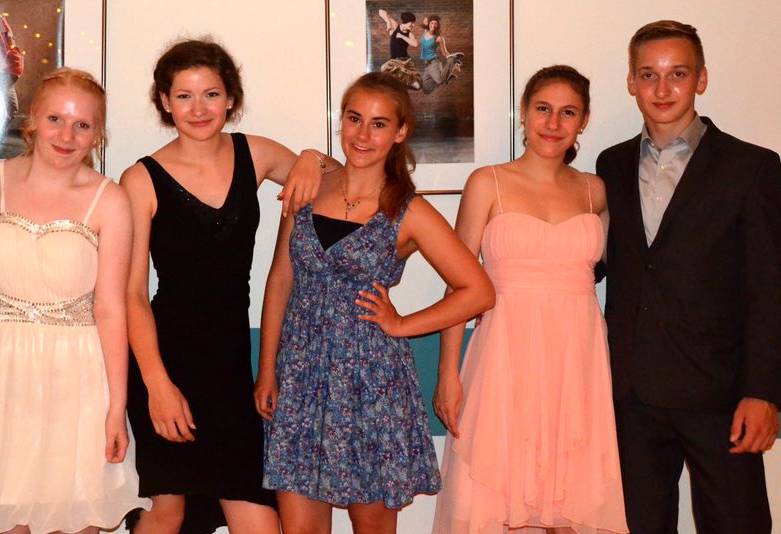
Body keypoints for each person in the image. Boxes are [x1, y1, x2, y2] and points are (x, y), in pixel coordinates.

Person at [257, 72, 495, 534]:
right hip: (300, 374)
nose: (363, 134)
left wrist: (403, 323)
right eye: (354, 119)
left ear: (400, 132)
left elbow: (479, 291)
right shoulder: (308, 190)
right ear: (341, 121)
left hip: (371, 383)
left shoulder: (408, 210)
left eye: (379, 123)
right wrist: (267, 369)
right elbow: (280, 280)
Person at [121, 38, 332, 534]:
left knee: (258, 519)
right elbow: (132, 295)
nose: (199, 109)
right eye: (184, 96)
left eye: (211, 94)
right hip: (166, 364)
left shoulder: (254, 153)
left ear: (230, 98)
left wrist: (311, 156)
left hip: (232, 370)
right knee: (168, 513)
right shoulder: (141, 178)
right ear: (165, 101)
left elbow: (343, 180)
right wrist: (157, 386)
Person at [0, 68, 150, 533]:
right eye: (56, 119)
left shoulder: (110, 200)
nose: (66, 135)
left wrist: (116, 408)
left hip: (79, 377)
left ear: (98, 135)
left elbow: (111, 309)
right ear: (33, 118)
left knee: (74, 519)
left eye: (82, 125)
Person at [596, 20, 780, 534]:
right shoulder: (609, 165)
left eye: (677, 73)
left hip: (722, 395)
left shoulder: (753, 166)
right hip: (631, 394)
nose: (662, 88)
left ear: (701, 79)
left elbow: (770, 290)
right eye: (648, 74)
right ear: (631, 82)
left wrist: (764, 392)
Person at [431, 65, 628, 534]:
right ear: (523, 112)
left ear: (583, 121)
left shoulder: (595, 190)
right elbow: (459, 286)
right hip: (505, 357)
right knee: (499, 500)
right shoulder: (488, 182)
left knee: (572, 502)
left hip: (577, 361)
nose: (553, 123)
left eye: (568, 112)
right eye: (543, 109)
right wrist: (447, 375)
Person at [378, 9, 423, 90]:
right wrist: (388, 22)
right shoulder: (395, 26)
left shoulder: (410, 34)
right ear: (406, 21)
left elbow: (415, 44)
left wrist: (402, 36)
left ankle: (407, 77)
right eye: (412, 23)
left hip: (406, 61)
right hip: (395, 61)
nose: (413, 25)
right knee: (384, 68)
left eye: (414, 23)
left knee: (419, 85)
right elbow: (381, 11)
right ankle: (409, 80)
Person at [419, 15, 464, 95]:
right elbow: (425, 19)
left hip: (434, 63)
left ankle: (453, 60)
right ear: (429, 23)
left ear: (438, 26)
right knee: (426, 90)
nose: (433, 25)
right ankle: (447, 76)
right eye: (432, 23)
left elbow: (445, 52)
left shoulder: (438, 38)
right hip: (427, 65)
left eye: (435, 24)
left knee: (439, 81)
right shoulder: (425, 32)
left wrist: (453, 61)